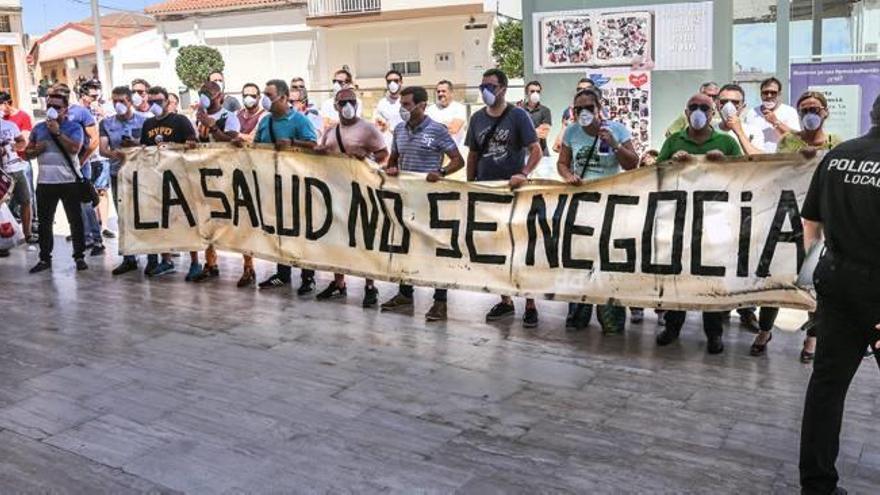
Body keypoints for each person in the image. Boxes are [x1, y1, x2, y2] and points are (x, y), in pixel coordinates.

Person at [798, 95, 880, 495]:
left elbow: (810, 220)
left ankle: (816, 484)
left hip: (837, 283)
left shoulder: (837, 156)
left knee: (827, 387)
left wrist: (817, 271)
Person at [750, 90, 843, 362]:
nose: (810, 115)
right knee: (775, 276)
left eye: (815, 109)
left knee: (815, 281)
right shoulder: (789, 141)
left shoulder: (837, 143)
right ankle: (765, 330)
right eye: (804, 110)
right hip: (788, 220)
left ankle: (812, 337)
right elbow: (780, 176)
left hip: (821, 224)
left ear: (825, 113)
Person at [654, 93, 743, 354]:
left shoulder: (726, 142)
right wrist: (672, 163)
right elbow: (656, 173)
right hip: (679, 219)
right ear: (685, 111)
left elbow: (745, 175)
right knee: (677, 276)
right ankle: (672, 327)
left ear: (713, 113)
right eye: (693, 106)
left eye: (704, 107)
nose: (698, 111)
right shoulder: (673, 141)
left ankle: (714, 333)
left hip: (715, 219)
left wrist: (724, 163)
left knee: (711, 278)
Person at [555, 87, 639, 334]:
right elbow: (562, 163)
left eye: (588, 108)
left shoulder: (617, 130)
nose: (583, 112)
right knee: (580, 260)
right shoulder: (571, 132)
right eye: (578, 109)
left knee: (609, 261)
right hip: (581, 206)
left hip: (610, 207)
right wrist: (569, 175)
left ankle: (611, 318)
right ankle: (578, 315)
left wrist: (614, 144)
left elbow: (632, 162)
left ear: (599, 108)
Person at [377, 86, 464, 320]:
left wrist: (442, 172)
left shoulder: (437, 130)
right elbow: (393, 159)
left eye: (407, 104)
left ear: (422, 105)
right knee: (405, 247)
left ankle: (440, 301)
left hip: (431, 202)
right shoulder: (399, 130)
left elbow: (458, 160)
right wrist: (391, 168)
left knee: (435, 250)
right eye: (401, 104)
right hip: (406, 200)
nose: (403, 109)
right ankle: (405, 292)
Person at [466, 68, 543, 327]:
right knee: (496, 249)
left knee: (520, 248)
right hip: (488, 193)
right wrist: (470, 186)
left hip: (513, 193)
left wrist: (523, 172)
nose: (486, 90)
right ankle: (506, 300)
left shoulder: (518, 116)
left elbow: (535, 150)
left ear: (503, 89)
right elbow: (473, 155)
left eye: (491, 85)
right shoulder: (477, 119)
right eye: (482, 86)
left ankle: (530, 303)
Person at [314, 88, 390, 307]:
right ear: (336, 106)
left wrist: (367, 161)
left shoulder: (368, 130)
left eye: (351, 101)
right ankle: (339, 283)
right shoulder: (330, 131)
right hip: (335, 192)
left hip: (361, 192)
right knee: (336, 240)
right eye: (343, 102)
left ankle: (369, 285)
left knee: (362, 239)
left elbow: (384, 159)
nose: (347, 105)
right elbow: (324, 155)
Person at [255, 79, 318, 293]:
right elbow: (256, 146)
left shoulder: (300, 120)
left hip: (298, 185)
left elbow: (313, 145)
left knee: (302, 231)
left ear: (283, 97)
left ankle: (308, 276)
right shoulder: (265, 121)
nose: (265, 98)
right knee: (279, 230)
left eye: (269, 94)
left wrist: (293, 144)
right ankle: (282, 273)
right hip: (273, 184)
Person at [139, 86, 198, 276]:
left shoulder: (180, 120)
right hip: (157, 176)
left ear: (167, 102)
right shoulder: (147, 124)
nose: (156, 105)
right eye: (152, 102)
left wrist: (178, 147)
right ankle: (167, 260)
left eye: (159, 101)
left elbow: (193, 143)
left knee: (187, 220)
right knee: (162, 219)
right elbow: (144, 148)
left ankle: (195, 262)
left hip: (180, 176)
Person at [24, 94, 87, 273]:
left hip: (69, 182)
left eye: (57, 107)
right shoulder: (38, 128)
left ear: (65, 109)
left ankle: (79, 256)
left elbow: (75, 148)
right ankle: (44, 258)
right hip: (45, 182)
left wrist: (57, 133)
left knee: (75, 220)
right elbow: (27, 153)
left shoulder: (74, 127)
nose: (52, 109)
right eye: (50, 105)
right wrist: (36, 149)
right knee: (45, 222)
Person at [189, 80, 241, 284]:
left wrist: (212, 126)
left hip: (226, 174)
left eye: (210, 93)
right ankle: (210, 263)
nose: (206, 96)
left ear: (220, 96)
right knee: (206, 220)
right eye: (203, 92)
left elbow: (231, 142)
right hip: (205, 174)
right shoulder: (197, 117)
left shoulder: (230, 116)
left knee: (237, 219)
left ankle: (248, 266)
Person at [101, 86, 148, 275]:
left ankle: (151, 256)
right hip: (117, 173)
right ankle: (129, 258)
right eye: (115, 101)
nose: (118, 104)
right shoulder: (106, 123)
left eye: (122, 101)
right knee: (123, 216)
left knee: (145, 214)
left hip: (140, 174)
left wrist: (135, 146)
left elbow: (150, 146)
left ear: (130, 101)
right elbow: (103, 149)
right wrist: (117, 153)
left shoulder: (144, 121)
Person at [71, 80, 105, 256]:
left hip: (88, 161)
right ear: (83, 95)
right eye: (92, 96)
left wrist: (83, 160)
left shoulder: (91, 111)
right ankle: (86, 235)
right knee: (79, 202)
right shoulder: (76, 111)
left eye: (97, 96)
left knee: (88, 200)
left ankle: (95, 237)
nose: (95, 99)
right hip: (77, 161)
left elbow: (95, 138)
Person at [0, 92, 31, 255]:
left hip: (16, 169)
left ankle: (27, 234)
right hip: (1, 172)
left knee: (26, 201)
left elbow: (22, 142)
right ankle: (3, 241)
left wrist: (15, 146)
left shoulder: (10, 126)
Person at [743, 77, 801, 152]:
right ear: (761, 94)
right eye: (765, 92)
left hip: (781, 159)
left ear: (779, 94)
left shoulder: (789, 112)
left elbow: (797, 138)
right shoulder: (751, 113)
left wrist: (775, 122)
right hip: (758, 159)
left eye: (773, 93)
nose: (769, 96)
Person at [715, 83, 764, 156]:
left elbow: (760, 159)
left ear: (743, 106)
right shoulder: (710, 131)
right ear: (717, 105)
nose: (728, 106)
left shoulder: (754, 131)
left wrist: (740, 133)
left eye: (735, 102)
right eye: (724, 102)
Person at [553, 77, 595, 153]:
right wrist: (569, 126)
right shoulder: (570, 112)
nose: (582, 92)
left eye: (587, 90)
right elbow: (557, 147)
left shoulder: (602, 112)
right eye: (579, 89)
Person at [425, 80, 467, 146]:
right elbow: (424, 128)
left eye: (443, 91)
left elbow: (454, 129)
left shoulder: (459, 108)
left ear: (451, 93)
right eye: (438, 91)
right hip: (435, 151)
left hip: (454, 150)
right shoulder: (431, 109)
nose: (440, 94)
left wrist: (432, 129)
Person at [373, 70, 404, 149]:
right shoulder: (381, 104)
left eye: (396, 81)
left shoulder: (408, 102)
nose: (392, 84)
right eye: (389, 81)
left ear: (401, 82)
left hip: (405, 146)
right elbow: (376, 126)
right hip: (388, 147)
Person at [521, 81, 552, 157]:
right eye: (532, 91)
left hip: (541, 152)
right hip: (523, 153)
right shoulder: (519, 110)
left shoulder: (545, 110)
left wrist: (524, 132)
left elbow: (543, 133)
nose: (535, 93)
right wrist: (536, 131)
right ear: (526, 92)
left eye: (538, 91)